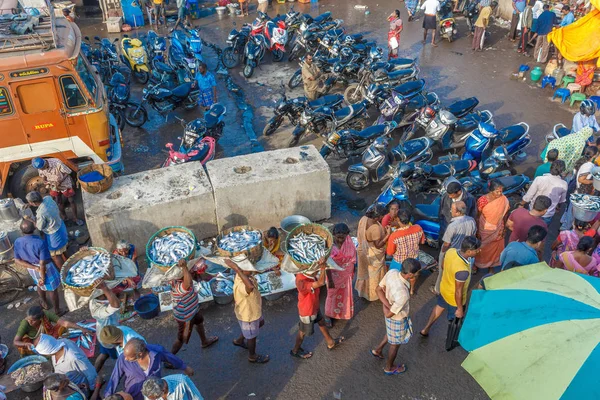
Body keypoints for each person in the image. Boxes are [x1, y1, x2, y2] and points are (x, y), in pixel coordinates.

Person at [420, 237, 481, 337]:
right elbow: (458, 291)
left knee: (439, 307)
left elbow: (443, 266)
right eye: (477, 249)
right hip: (454, 300)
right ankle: (451, 339)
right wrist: (460, 309)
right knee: (454, 321)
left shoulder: (451, 251)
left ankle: (425, 329)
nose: (479, 251)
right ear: (469, 251)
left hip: (444, 289)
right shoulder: (462, 270)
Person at [370, 258, 420, 375]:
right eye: (417, 272)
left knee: (390, 333)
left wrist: (387, 303)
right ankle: (389, 367)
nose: (418, 274)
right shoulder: (403, 294)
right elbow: (388, 314)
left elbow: (378, 290)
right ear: (410, 274)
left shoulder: (392, 272)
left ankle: (378, 350)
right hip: (397, 318)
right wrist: (388, 307)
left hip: (391, 313)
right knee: (395, 344)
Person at [104, 339, 193, 400]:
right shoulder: (122, 359)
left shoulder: (157, 352)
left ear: (140, 354)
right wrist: (108, 397)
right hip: (133, 396)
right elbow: (114, 378)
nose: (125, 358)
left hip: (153, 394)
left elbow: (170, 358)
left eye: (129, 357)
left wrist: (184, 367)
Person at [291, 260, 345, 359]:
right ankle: (295, 350)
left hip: (314, 306)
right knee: (302, 331)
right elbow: (320, 282)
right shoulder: (301, 281)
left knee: (321, 321)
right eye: (316, 270)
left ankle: (330, 342)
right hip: (307, 311)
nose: (317, 271)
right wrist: (323, 268)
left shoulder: (307, 275)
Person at [169, 259, 218, 357]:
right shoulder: (179, 285)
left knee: (199, 322)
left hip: (193, 310)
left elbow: (193, 277)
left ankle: (204, 341)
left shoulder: (184, 278)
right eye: (188, 271)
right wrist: (184, 267)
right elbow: (187, 283)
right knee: (181, 338)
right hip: (185, 317)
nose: (191, 271)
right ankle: (170, 358)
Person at [13, 219, 63, 314]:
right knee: (52, 289)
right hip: (45, 268)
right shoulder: (40, 242)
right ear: (34, 229)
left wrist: (34, 268)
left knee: (39, 284)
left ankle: (44, 302)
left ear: (21, 231)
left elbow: (17, 260)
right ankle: (57, 311)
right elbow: (42, 263)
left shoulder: (17, 241)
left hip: (31, 268)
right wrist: (43, 277)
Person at [225, 258, 269, 364]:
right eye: (249, 269)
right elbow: (249, 286)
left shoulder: (245, 276)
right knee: (252, 337)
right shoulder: (242, 284)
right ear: (241, 270)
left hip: (254, 311)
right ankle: (252, 356)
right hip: (248, 315)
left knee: (260, 323)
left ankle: (239, 340)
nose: (252, 270)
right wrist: (236, 268)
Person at [433, 201, 477, 294]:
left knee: (443, 272)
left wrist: (443, 254)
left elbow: (446, 244)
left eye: (452, 209)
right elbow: (473, 236)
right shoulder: (471, 221)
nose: (450, 211)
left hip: (452, 253)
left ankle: (438, 290)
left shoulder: (452, 226)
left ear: (458, 212)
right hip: (465, 253)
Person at [13, 306, 90, 357]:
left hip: (48, 335)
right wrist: (26, 344)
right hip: (33, 342)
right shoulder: (25, 323)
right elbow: (16, 341)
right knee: (23, 344)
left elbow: (64, 323)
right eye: (28, 319)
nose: (30, 322)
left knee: (61, 327)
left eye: (32, 321)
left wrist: (81, 328)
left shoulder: (45, 314)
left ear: (40, 319)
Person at [31, 158, 82, 226]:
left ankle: (76, 218)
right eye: (42, 169)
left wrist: (60, 181)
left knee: (71, 200)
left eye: (43, 168)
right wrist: (44, 181)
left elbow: (68, 172)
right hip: (53, 185)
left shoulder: (57, 162)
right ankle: (65, 218)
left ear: (45, 163)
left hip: (65, 184)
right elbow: (43, 176)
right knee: (58, 202)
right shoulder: (40, 167)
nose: (43, 170)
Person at [356, 204, 391, 301]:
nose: (383, 218)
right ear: (376, 217)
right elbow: (378, 245)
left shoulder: (364, 219)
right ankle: (372, 294)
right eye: (382, 216)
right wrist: (387, 235)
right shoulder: (375, 228)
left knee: (366, 273)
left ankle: (363, 292)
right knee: (373, 275)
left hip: (364, 250)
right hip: (373, 253)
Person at [25, 191, 69, 269]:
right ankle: (70, 263)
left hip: (54, 234)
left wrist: (30, 220)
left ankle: (64, 271)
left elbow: (39, 227)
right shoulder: (48, 198)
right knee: (63, 248)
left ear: (34, 203)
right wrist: (29, 204)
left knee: (55, 255)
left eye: (30, 202)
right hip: (61, 226)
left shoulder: (41, 213)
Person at [474, 180, 509, 274]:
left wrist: (504, 227)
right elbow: (478, 215)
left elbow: (505, 215)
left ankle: (492, 266)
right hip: (484, 228)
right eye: (497, 191)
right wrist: (477, 230)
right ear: (491, 190)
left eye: (501, 191)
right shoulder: (482, 200)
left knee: (496, 248)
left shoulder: (504, 199)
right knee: (482, 247)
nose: (500, 193)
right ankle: (478, 264)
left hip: (498, 228)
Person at [386, 209, 424, 294]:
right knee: (413, 275)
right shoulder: (418, 228)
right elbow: (422, 242)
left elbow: (389, 253)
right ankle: (411, 290)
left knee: (394, 276)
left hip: (399, 261)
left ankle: (396, 292)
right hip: (414, 258)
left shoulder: (394, 235)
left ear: (398, 220)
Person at [325, 223, 356, 322]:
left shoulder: (348, 241)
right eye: (338, 237)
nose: (340, 240)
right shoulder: (329, 245)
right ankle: (328, 315)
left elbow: (353, 256)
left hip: (346, 274)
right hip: (333, 275)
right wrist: (330, 279)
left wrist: (352, 269)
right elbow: (326, 264)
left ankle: (342, 312)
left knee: (344, 293)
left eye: (343, 237)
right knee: (331, 294)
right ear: (334, 234)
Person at [522, 160, 568, 225]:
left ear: (551, 168)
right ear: (562, 171)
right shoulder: (564, 184)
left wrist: (521, 204)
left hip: (534, 210)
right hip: (548, 213)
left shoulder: (539, 179)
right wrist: (558, 207)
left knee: (528, 227)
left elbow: (529, 195)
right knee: (541, 231)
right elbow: (561, 200)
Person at [89, 281, 121, 372]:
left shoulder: (94, 300)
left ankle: (94, 374)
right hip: (109, 336)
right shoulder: (98, 311)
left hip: (103, 333)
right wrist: (105, 288)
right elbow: (115, 305)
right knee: (121, 357)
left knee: (104, 354)